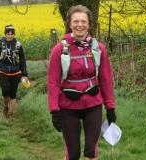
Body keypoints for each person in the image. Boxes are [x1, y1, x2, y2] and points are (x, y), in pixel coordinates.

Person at [47, 5, 117, 160]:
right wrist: (54, 111)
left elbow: (105, 79)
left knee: (91, 152)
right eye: (76, 21)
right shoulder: (60, 50)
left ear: (89, 24)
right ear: (70, 24)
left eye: (83, 21)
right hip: (68, 106)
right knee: (73, 155)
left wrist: (110, 107)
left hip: (93, 104)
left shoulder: (98, 49)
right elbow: (53, 82)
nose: (80, 25)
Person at [0, 24, 28, 120]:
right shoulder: (0, 45)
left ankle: (11, 113)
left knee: (13, 93)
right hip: (2, 71)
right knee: (5, 91)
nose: (10, 36)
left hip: (16, 72)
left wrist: (25, 74)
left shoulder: (18, 45)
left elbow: (22, 60)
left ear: (14, 35)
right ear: (5, 34)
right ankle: (5, 107)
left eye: (12, 34)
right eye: (8, 34)